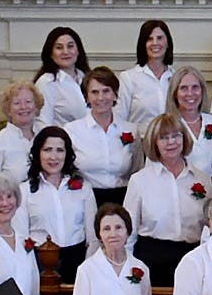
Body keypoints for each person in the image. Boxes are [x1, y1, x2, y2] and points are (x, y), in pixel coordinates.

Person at [124, 113, 212, 286]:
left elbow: (210, 226)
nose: (171, 142)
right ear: (154, 143)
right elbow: (129, 230)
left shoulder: (203, 180)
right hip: (153, 258)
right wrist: (128, 268)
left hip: (192, 257)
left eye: (176, 136)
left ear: (184, 138)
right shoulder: (139, 181)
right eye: (163, 137)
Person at [24, 125, 96, 282]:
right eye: (47, 149)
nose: (53, 157)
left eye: (60, 150)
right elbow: (21, 237)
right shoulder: (24, 191)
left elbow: (93, 236)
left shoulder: (83, 188)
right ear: (38, 153)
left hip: (76, 259)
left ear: (67, 154)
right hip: (40, 262)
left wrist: (87, 268)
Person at [65, 66, 137, 206]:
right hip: (85, 200)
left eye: (106, 91)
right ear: (86, 96)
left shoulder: (130, 130)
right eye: (94, 92)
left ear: (115, 94)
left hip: (123, 200)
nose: (101, 97)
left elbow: (137, 171)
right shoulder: (71, 131)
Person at [0, 79, 44, 185]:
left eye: (28, 102)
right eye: (17, 103)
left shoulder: (46, 138)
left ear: (36, 107)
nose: (23, 107)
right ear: (8, 109)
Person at [168, 64, 212, 183]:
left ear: (202, 91)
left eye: (195, 87)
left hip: (211, 189)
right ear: (175, 93)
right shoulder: (165, 125)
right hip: (176, 188)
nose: (190, 93)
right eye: (183, 88)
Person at [116, 18, 176, 125]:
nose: (155, 43)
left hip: (171, 140)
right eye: (149, 39)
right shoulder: (128, 78)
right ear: (143, 44)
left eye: (159, 38)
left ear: (168, 43)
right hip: (140, 140)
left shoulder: (176, 77)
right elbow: (119, 119)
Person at [33, 25, 90, 127]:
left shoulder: (87, 77)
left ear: (78, 50)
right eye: (59, 48)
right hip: (63, 141)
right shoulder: (47, 82)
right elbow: (42, 124)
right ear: (50, 53)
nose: (65, 52)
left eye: (70, 46)